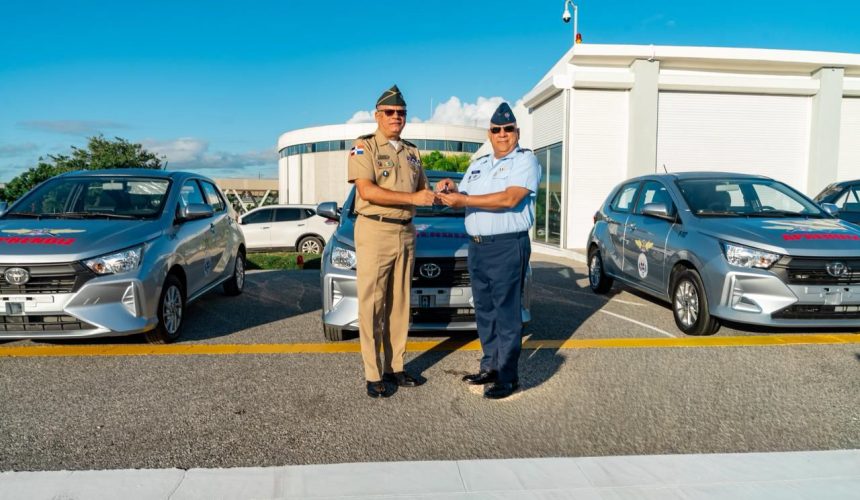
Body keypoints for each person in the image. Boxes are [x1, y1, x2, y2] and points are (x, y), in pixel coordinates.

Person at [436, 102, 540, 399]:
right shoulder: (478, 163)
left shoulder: (525, 161)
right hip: (478, 247)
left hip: (507, 245)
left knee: (507, 313)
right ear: (489, 133)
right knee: (484, 311)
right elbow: (466, 194)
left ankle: (508, 377)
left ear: (517, 132)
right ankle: (490, 366)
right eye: (496, 130)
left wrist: (465, 201)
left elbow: (510, 198)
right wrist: (451, 189)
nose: (502, 134)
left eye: (508, 129)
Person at [348, 85, 437, 398]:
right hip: (375, 230)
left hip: (406, 232)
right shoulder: (365, 147)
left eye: (401, 113)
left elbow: (424, 190)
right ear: (377, 116)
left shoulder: (412, 152)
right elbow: (367, 191)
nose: (395, 117)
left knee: (399, 304)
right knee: (372, 305)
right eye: (389, 112)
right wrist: (413, 198)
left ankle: (395, 367)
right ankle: (373, 374)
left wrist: (441, 190)